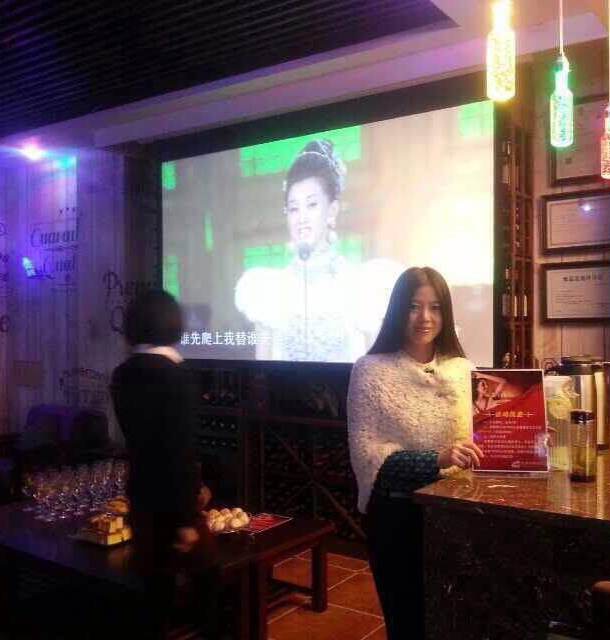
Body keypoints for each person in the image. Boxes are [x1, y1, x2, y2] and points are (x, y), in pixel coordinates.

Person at [346, 267, 484, 640]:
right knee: (407, 623)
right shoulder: (370, 371)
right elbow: (367, 459)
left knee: (457, 622)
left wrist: (528, 435)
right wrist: (437, 459)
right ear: (397, 310)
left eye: (435, 307)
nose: (425, 317)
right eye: (413, 306)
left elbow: (484, 437)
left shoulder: (464, 370)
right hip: (398, 518)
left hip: (457, 516)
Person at [110, 290, 216, 638]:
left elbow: (145, 445)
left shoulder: (122, 375)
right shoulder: (177, 376)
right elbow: (178, 450)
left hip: (141, 494)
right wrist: (185, 519)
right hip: (174, 500)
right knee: (209, 581)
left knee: (153, 589)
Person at [235, 138, 400, 362]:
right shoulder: (267, 289)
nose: (301, 218)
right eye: (294, 208)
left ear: (332, 210)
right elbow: (262, 370)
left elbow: (377, 369)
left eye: (311, 205)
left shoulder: (363, 284)